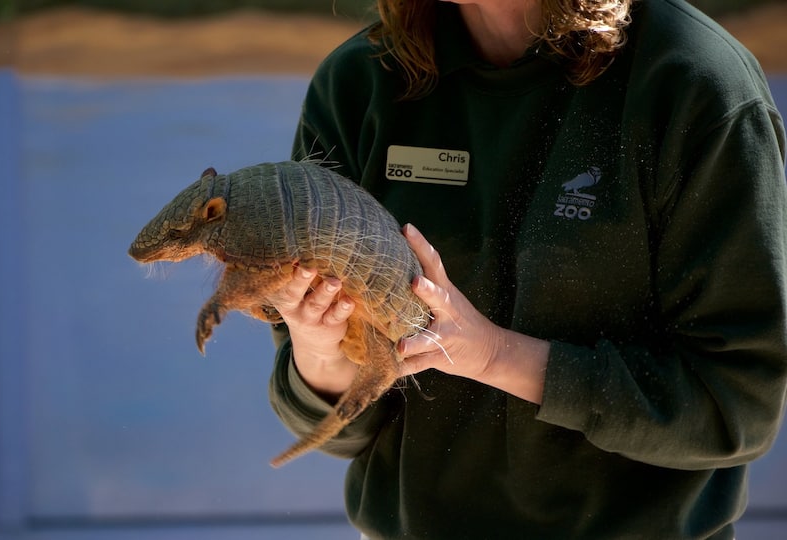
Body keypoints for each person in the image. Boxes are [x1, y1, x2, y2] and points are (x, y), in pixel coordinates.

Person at [266, 0, 787, 538]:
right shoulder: (358, 83)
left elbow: (736, 407)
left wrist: (493, 354)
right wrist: (320, 347)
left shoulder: (695, 82)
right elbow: (337, 430)